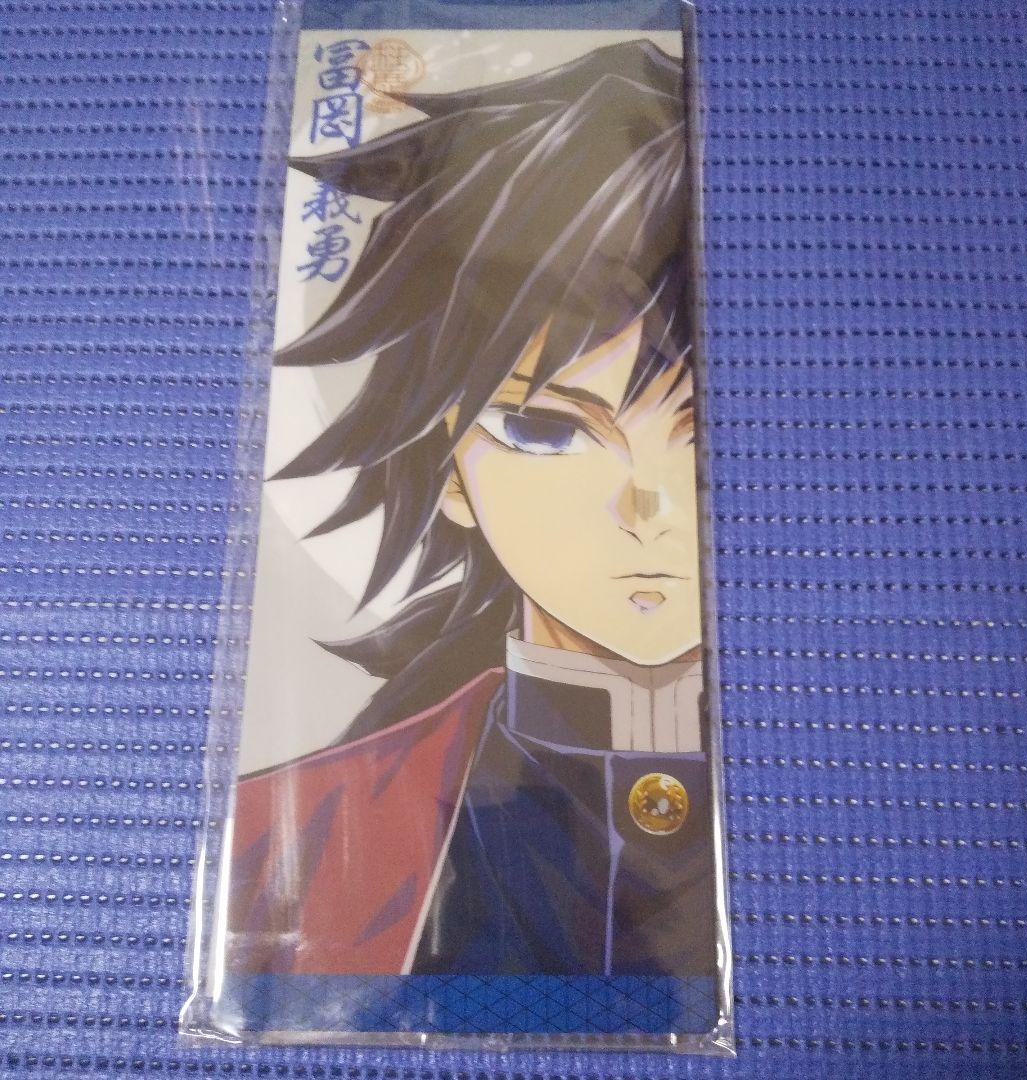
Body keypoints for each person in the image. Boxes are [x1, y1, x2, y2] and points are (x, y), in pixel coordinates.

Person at [226, 39, 716, 978]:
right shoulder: (279, 848)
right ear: (449, 467)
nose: (645, 506)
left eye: (699, 435)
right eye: (547, 430)